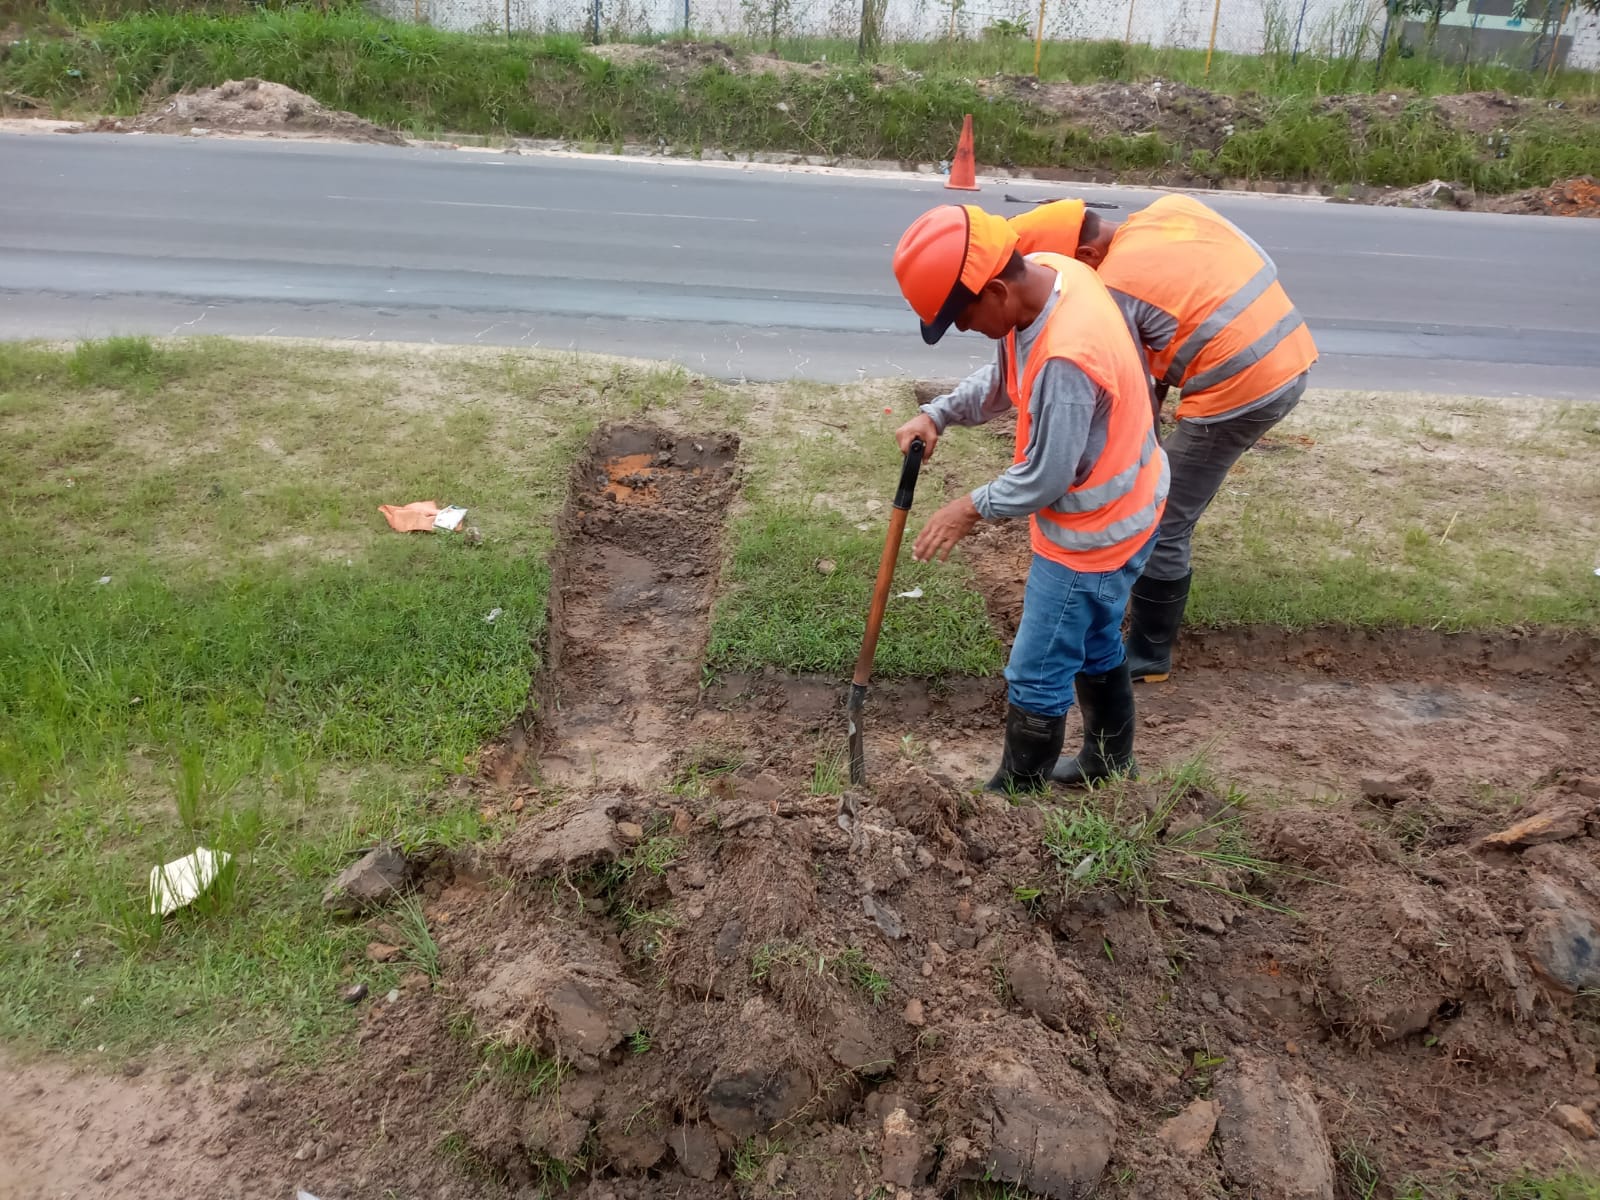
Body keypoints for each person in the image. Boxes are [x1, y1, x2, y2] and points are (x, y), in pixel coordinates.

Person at [890, 204, 1169, 793]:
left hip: (1094, 533)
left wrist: (968, 508)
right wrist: (938, 413)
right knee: (1094, 640)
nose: (963, 331)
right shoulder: (1048, 273)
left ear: (994, 290)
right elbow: (1002, 377)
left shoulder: (1068, 358)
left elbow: (1045, 477)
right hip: (1134, 502)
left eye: (962, 318)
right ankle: (1110, 762)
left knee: (1037, 669)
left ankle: (1015, 800)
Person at [1009, 194, 1318, 683]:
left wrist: (1138, 465)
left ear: (1084, 259)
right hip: (1290, 345)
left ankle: (1151, 652)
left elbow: (1132, 396)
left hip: (1244, 385)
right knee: (1165, 488)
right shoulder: (1169, 209)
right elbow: (1261, 262)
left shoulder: (1108, 290)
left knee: (1163, 508)